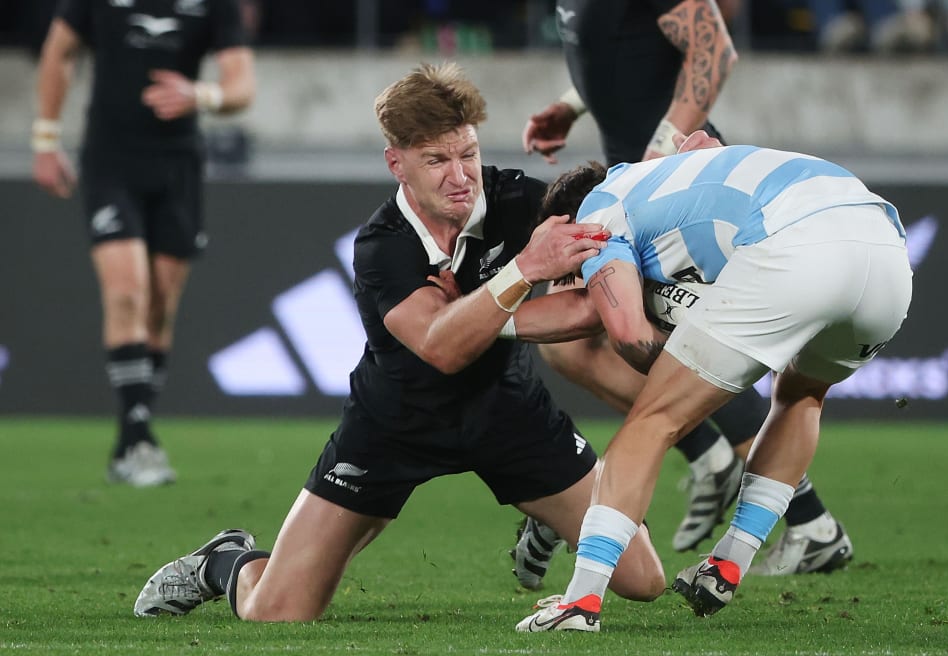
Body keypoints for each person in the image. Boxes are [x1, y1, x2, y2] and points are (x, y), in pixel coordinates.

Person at [131, 63, 665, 623]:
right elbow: (441, 349)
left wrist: (481, 313)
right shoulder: (382, 248)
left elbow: (591, 308)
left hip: (508, 411)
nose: (461, 175)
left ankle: (549, 517)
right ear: (397, 163)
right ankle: (225, 561)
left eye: (467, 153)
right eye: (437, 160)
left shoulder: (522, 202)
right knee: (276, 613)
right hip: (394, 425)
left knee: (643, 579)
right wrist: (524, 271)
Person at [517, 131, 912, 632]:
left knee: (652, 419)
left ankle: (579, 604)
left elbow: (626, 334)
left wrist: (686, 371)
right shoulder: (664, 183)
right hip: (887, 252)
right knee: (801, 395)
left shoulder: (597, 214)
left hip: (795, 242)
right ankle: (729, 561)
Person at [513, 0, 853, 575]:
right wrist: (574, 104)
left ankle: (759, 492)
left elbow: (714, 49)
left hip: (671, 183)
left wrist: (657, 161)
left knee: (641, 344)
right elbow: (630, 51)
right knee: (600, 344)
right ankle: (758, 488)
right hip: (642, 181)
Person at [32, 0, 256, 486]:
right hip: (111, 161)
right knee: (128, 291)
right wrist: (46, 139)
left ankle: (131, 437)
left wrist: (200, 94)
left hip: (178, 166)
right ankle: (137, 439)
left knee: (159, 302)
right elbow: (58, 51)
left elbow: (242, 85)